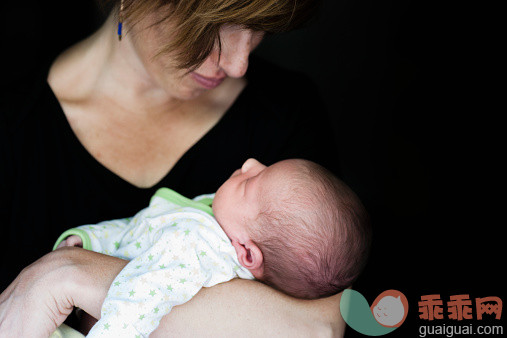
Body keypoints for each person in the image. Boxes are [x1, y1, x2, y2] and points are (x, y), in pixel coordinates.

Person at [0, 0, 348, 336]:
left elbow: (319, 327)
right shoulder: (13, 131)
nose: (239, 63)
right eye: (214, 23)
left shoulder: (285, 116)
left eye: (260, 29)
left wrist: (64, 277)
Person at [53, 158, 370, 336]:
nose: (249, 163)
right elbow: (140, 231)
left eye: (249, 183)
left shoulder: (197, 248)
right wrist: (91, 241)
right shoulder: (214, 220)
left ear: (247, 253)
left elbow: (141, 296)